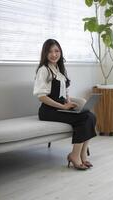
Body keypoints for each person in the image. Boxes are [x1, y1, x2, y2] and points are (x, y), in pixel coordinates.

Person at [33, 39, 97, 170]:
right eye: (50, 51)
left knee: (91, 116)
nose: (54, 54)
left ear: (60, 52)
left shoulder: (59, 69)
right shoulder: (44, 70)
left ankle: (83, 154)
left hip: (61, 108)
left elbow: (64, 91)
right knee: (84, 118)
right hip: (48, 111)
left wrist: (68, 102)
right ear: (45, 53)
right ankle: (75, 155)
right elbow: (42, 97)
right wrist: (63, 107)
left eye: (57, 51)